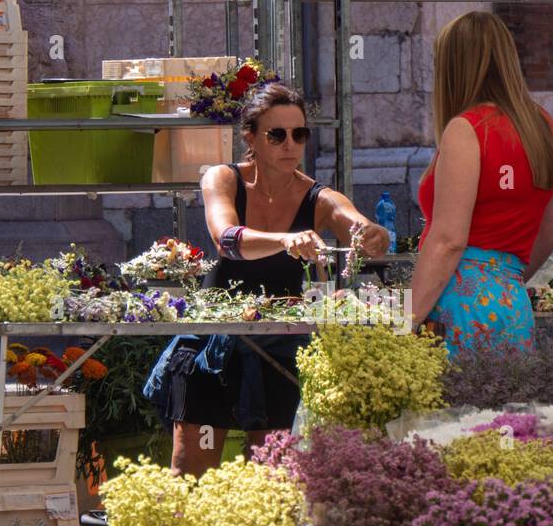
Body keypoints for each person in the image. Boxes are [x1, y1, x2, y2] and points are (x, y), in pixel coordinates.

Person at [145, 82, 389, 478]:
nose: (290, 144)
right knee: (191, 469)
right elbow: (226, 239)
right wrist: (285, 240)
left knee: (272, 472)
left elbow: (354, 222)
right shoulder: (223, 179)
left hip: (282, 352)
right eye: (276, 134)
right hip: (215, 344)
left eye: (299, 134)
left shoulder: (319, 197)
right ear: (251, 137)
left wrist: (371, 234)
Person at [409, 11, 553, 356]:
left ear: (454, 68)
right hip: (511, 301)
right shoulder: (544, 127)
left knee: (447, 410)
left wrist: (405, 320)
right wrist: (504, 280)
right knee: (505, 408)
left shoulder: (467, 129)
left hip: (456, 301)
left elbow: (449, 240)